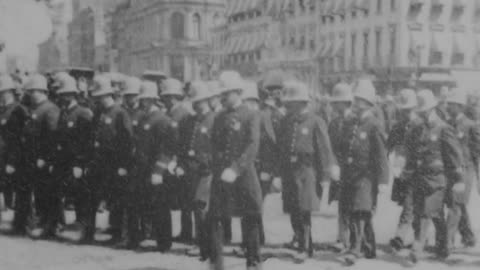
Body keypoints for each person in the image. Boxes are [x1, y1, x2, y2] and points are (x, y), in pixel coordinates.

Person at [277, 80, 337, 263]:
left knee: (304, 210)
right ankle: (300, 241)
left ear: (301, 103)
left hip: (307, 171)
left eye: (291, 103)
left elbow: (324, 149)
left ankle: (305, 247)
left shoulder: (315, 121)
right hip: (290, 171)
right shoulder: (287, 122)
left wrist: (326, 174)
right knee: (293, 209)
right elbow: (281, 148)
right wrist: (278, 174)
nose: (287, 105)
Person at [208, 71, 263, 270]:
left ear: (238, 92)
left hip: (243, 175)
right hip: (222, 175)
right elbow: (213, 144)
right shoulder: (219, 116)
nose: (223, 97)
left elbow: (252, 145)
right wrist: (218, 167)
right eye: (222, 93)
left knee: (250, 218)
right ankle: (216, 263)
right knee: (215, 217)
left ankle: (254, 261)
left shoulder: (251, 115)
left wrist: (236, 168)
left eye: (227, 93)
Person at [407, 89, 464, 263]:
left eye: (424, 111)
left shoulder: (444, 128)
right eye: (420, 111)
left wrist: (459, 179)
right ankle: (444, 245)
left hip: (438, 179)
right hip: (420, 177)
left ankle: (417, 248)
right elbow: (412, 151)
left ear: (432, 109)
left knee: (425, 212)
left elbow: (455, 155)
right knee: (434, 214)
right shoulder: (417, 128)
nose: (422, 114)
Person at [338, 79, 389, 265]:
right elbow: (344, 148)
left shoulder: (374, 125)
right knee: (361, 211)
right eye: (355, 99)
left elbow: (381, 154)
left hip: (367, 176)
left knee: (358, 211)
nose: (355, 104)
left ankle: (354, 249)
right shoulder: (351, 123)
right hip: (351, 174)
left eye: (359, 100)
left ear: (368, 103)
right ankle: (369, 247)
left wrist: (383, 180)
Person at [86, 76, 133, 244]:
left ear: (108, 95)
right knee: (92, 196)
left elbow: (127, 141)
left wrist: (123, 165)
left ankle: (117, 234)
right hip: (98, 161)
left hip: (114, 163)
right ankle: (88, 233)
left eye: (101, 96)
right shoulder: (98, 113)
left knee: (116, 200)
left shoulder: (120, 113)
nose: (98, 99)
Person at [134, 81, 177, 251]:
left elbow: (167, 149)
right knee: (148, 205)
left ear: (152, 100)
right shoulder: (145, 118)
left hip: (157, 171)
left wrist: (159, 170)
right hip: (144, 169)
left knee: (161, 206)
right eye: (142, 100)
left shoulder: (162, 120)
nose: (143, 103)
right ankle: (151, 237)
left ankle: (164, 243)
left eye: (145, 99)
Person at [178, 80, 216, 260]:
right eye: (195, 102)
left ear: (207, 100)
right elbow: (184, 145)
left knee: (202, 208)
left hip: (206, 171)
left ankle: (206, 246)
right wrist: (181, 164)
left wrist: (208, 162)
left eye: (200, 101)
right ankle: (200, 243)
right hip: (191, 169)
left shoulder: (214, 119)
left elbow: (218, 147)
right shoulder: (189, 120)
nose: (197, 105)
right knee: (195, 207)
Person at [53, 74, 93, 241]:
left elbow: (87, 141)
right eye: (62, 94)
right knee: (61, 192)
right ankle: (60, 224)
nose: (64, 97)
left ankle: (82, 226)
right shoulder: (63, 113)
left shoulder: (83, 113)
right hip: (63, 160)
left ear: (74, 94)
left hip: (77, 162)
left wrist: (80, 163)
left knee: (80, 195)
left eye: (68, 94)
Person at [22, 74, 61, 239]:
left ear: (42, 91)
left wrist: (46, 158)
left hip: (43, 160)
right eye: (30, 92)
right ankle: (44, 223)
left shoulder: (50, 109)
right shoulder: (36, 109)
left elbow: (53, 137)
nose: (31, 94)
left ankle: (51, 226)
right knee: (39, 193)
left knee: (48, 194)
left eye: (34, 91)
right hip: (33, 158)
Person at [445, 88, 480, 249]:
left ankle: (447, 242)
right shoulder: (447, 124)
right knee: (458, 203)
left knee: (455, 204)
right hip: (451, 170)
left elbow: (477, 152)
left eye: (451, 104)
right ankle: (468, 236)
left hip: (466, 170)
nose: (447, 107)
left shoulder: (470, 125)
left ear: (459, 106)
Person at [388, 89, 421, 252]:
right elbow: (388, 146)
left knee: (410, 204)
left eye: (408, 110)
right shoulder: (398, 126)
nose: (405, 113)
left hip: (419, 172)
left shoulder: (421, 125)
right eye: (403, 110)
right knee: (408, 205)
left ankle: (400, 237)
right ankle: (419, 238)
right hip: (401, 172)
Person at [160, 78, 193, 243]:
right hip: (168, 161)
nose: (164, 100)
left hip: (179, 162)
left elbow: (185, 142)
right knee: (173, 198)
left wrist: (179, 161)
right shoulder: (168, 113)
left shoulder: (183, 114)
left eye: (166, 97)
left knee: (185, 200)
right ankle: (177, 232)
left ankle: (187, 233)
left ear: (172, 97)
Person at [0, 75, 28, 234]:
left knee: (20, 191)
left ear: (10, 91)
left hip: (14, 158)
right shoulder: (3, 109)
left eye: (5, 92)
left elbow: (18, 138)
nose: (2, 95)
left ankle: (22, 224)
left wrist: (12, 161)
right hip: (2, 156)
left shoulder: (18, 110)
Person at [328, 82, 354, 253]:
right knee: (342, 205)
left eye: (337, 102)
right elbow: (330, 146)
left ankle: (352, 240)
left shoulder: (355, 121)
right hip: (339, 169)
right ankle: (342, 238)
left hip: (353, 170)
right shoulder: (334, 122)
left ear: (346, 102)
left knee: (352, 205)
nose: (334, 105)